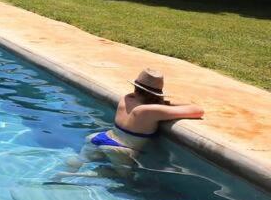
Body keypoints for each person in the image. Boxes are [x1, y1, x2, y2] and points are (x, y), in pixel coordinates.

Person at [76, 68, 204, 168]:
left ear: (136, 87)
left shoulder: (127, 98)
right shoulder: (150, 110)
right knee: (126, 181)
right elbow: (197, 111)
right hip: (120, 149)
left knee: (77, 163)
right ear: (157, 94)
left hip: (99, 137)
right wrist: (163, 102)